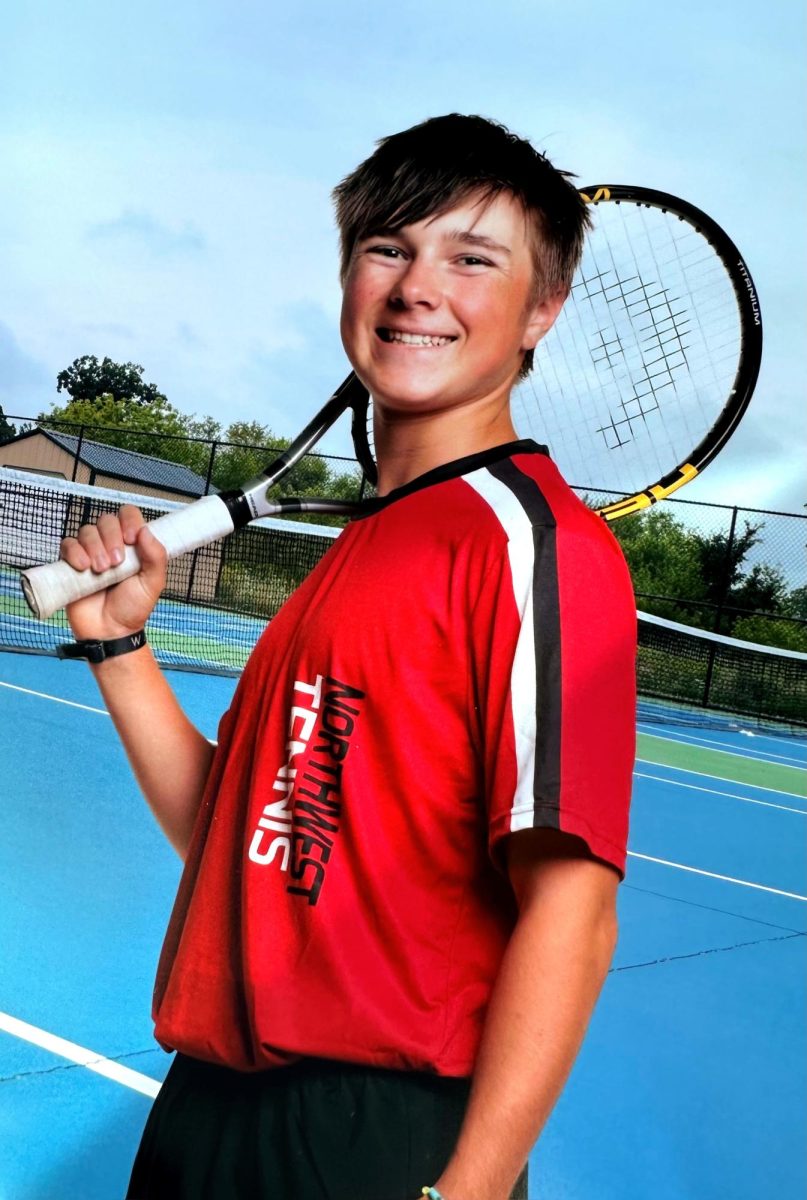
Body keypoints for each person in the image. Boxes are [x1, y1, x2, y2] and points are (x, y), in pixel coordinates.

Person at [59, 114, 636, 1200]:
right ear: (349, 276)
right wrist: (120, 647)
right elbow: (245, 841)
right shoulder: (365, 542)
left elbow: (573, 907)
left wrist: (466, 1190)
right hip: (209, 1110)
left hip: (371, 1138)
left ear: (540, 313)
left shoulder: (537, 547)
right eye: (389, 248)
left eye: (473, 260)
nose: (421, 286)